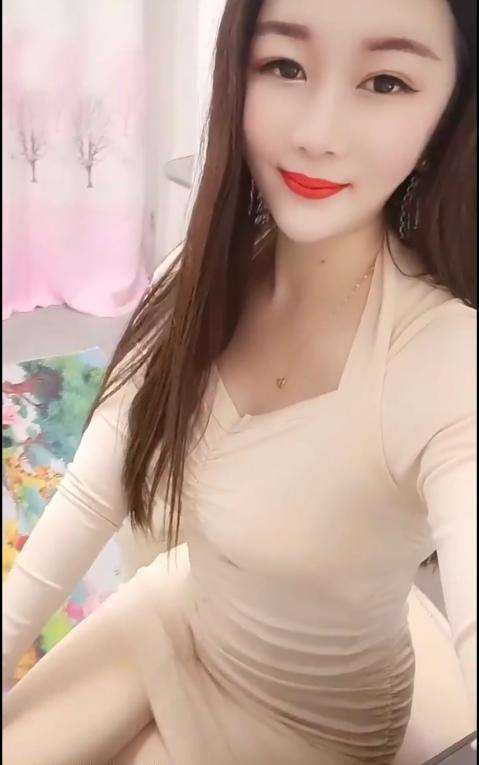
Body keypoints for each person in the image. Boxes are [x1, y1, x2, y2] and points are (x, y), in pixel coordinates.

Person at [2, 0, 476, 763]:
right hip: (177, 611)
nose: (317, 132)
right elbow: (93, 494)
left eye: (385, 82)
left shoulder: (446, 357)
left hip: (306, 724)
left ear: (448, 112)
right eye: (284, 65)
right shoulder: (195, 280)